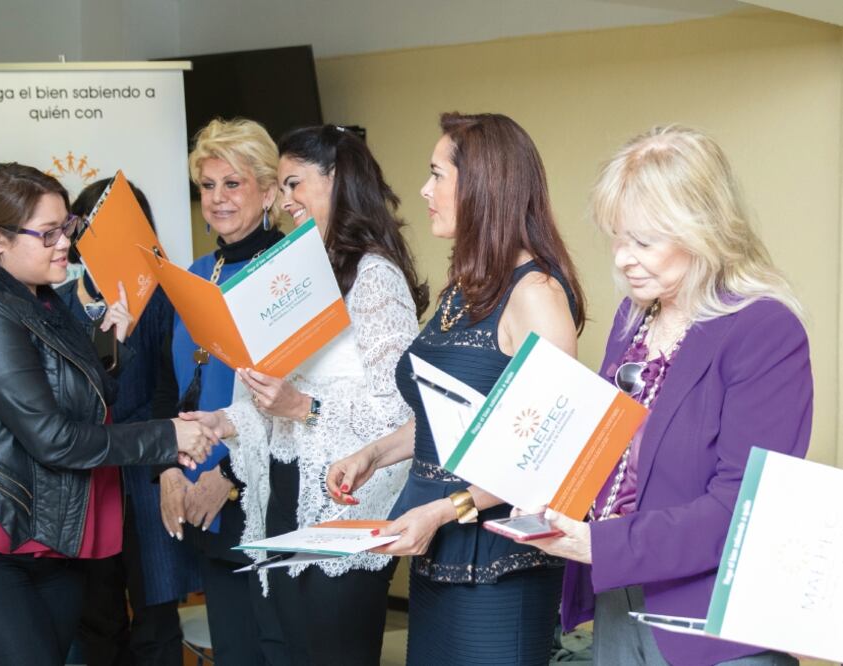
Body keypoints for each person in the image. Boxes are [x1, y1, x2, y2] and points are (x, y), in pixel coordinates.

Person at [0, 162, 214, 665]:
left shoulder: (43, 302)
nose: (65, 242)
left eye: (66, 227)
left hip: (43, 536)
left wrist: (110, 348)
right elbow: (55, 439)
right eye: (47, 233)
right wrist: (168, 436)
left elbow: (81, 402)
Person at [522, 126, 812, 666]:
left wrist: (597, 544)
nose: (622, 259)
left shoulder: (763, 329)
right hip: (620, 598)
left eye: (644, 242)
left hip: (709, 623)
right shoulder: (635, 317)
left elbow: (740, 508)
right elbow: (612, 454)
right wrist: (552, 497)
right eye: (617, 237)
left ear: (704, 232)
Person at [326, 112, 586, 665]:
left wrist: (446, 510)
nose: (424, 190)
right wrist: (374, 453)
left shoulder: (536, 294)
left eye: (437, 175)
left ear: (484, 188)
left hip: (498, 562)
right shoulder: (462, 286)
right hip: (438, 545)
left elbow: (548, 449)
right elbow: (449, 415)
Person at [185, 124, 429, 665]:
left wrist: (303, 408)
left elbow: (401, 412)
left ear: (336, 179)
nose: (286, 200)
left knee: (330, 653)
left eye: (294, 184)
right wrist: (225, 422)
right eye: (283, 187)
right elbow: (280, 393)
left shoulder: (374, 276)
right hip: (285, 490)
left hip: (344, 501)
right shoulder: (304, 270)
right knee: (289, 649)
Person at [154, 117, 290, 665]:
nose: (217, 198)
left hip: (265, 490)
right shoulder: (195, 272)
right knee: (234, 649)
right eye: (208, 186)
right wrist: (167, 466)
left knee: (276, 647)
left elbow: (296, 393)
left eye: (233, 183)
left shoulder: (290, 270)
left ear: (268, 191)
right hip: (201, 490)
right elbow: (171, 385)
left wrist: (230, 475)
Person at [58, 178, 200, 665]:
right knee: (96, 619)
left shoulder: (162, 297)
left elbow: (172, 387)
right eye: (92, 224)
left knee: (157, 618)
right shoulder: (56, 303)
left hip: (146, 475)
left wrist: (168, 467)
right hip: (86, 479)